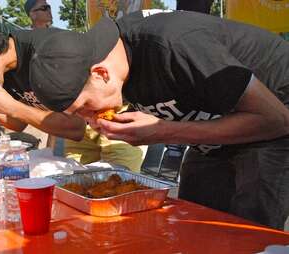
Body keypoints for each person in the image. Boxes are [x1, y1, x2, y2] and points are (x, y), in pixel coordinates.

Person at [23, 10, 289, 230]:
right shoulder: (115, 65)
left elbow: (276, 120)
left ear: (101, 73)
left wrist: (165, 131)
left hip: (274, 114)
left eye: (86, 107)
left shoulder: (174, 44)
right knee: (192, 220)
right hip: (214, 125)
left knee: (249, 225)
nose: (91, 122)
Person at [23, 0, 146, 171]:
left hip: (112, 109)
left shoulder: (63, 38)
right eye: (43, 8)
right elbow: (60, 103)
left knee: (121, 178)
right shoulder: (24, 43)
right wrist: (49, 147)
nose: (49, 11)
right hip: (81, 123)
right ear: (31, 14)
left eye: (49, 6)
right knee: (77, 180)